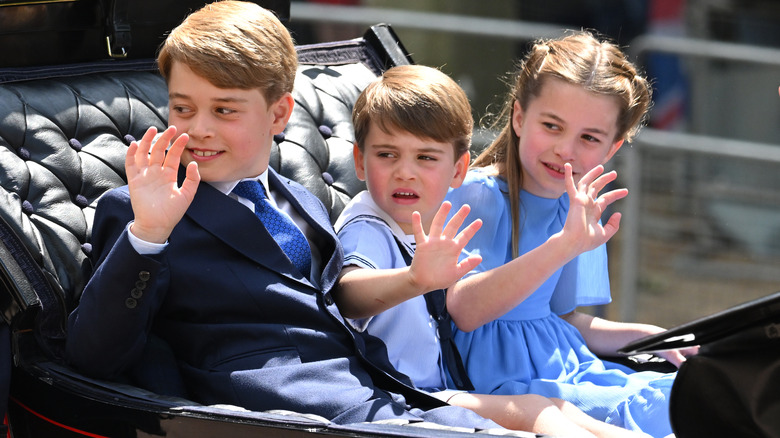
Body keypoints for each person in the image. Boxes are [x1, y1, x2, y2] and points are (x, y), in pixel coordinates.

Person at [64, 1, 503, 430]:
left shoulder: (301, 199)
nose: (198, 127)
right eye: (183, 108)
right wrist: (148, 234)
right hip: (282, 414)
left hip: (384, 396)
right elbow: (94, 356)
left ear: (279, 114)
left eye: (224, 109)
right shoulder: (140, 211)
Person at [334, 64, 648, 438]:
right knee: (536, 411)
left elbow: (563, 316)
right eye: (387, 155)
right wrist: (412, 278)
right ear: (359, 161)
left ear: (456, 170)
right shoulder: (370, 222)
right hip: (404, 394)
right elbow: (348, 293)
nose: (406, 172)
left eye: (426, 158)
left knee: (559, 410)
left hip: (439, 387)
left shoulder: (426, 222)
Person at [443, 31, 697, 438]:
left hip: (572, 368)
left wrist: (649, 336)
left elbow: (564, 320)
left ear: (611, 149)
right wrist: (563, 246)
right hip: (511, 387)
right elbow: (464, 312)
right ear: (519, 117)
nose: (566, 149)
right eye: (552, 126)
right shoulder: (473, 195)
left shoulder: (578, 204)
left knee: (690, 395)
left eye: (589, 138)